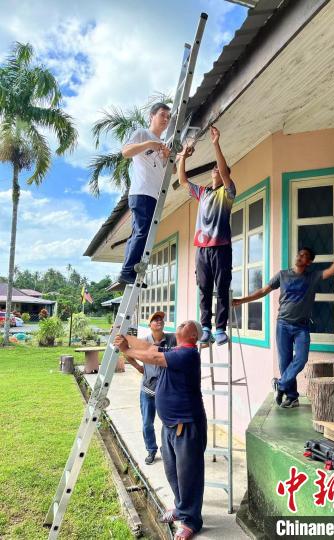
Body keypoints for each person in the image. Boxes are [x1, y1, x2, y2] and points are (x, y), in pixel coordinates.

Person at [114, 320, 206, 540]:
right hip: (170, 425)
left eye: (186, 324)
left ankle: (191, 521)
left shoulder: (188, 354)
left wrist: (126, 350)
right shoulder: (175, 349)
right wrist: (124, 337)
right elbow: (149, 348)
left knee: (189, 476)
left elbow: (153, 358)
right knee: (173, 472)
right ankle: (181, 508)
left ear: (192, 335)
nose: (181, 323)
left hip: (187, 426)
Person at [233, 246, 334, 408]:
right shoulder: (283, 275)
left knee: (301, 358)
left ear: (309, 262)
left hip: (301, 327)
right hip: (283, 324)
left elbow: (332, 270)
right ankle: (292, 397)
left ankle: (281, 384)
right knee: (284, 362)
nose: (300, 257)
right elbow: (263, 290)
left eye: (304, 256)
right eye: (299, 254)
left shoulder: (313, 276)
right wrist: (242, 301)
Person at [178, 126, 236, 346]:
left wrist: (215, 144)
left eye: (219, 170)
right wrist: (183, 156)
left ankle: (220, 329)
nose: (215, 170)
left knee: (221, 288)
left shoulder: (227, 192)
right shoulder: (203, 193)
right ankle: (206, 328)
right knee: (204, 288)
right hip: (202, 249)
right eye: (213, 169)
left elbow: (223, 171)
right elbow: (183, 180)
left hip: (221, 246)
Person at [111, 102, 171, 289]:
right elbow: (126, 152)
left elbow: (172, 170)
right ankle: (127, 272)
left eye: (168, 117)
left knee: (138, 233)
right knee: (142, 232)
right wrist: (150, 143)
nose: (166, 119)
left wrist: (168, 156)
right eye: (162, 115)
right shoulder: (142, 133)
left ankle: (126, 272)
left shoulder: (164, 145)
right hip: (142, 191)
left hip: (153, 195)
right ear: (151, 116)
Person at [128, 311, 176, 465]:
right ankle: (151, 450)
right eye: (155, 319)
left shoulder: (172, 339)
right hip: (148, 389)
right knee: (147, 422)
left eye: (161, 318)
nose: (159, 321)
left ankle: (167, 449)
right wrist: (138, 367)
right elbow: (127, 352)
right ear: (150, 325)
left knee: (168, 423)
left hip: (166, 391)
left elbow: (187, 343)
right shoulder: (143, 342)